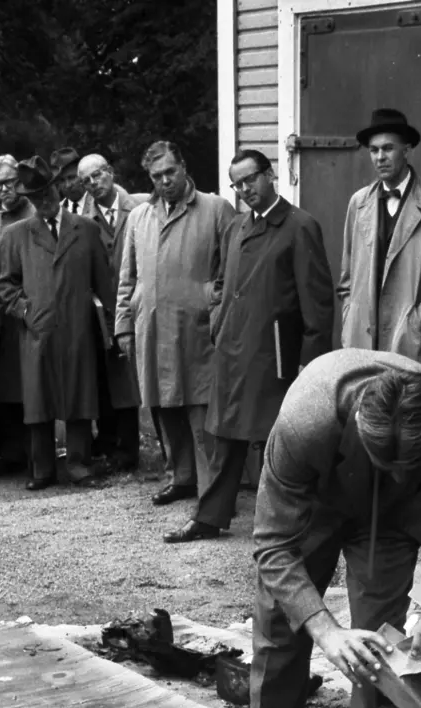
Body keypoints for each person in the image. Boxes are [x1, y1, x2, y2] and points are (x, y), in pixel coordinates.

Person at [249, 348, 421, 708]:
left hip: (398, 512)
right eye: (388, 465)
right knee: (282, 623)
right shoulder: (305, 421)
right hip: (318, 500)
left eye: (406, 467)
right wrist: (327, 632)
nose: (396, 475)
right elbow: (273, 545)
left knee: (381, 644)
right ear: (361, 423)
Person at [165, 148, 334, 544]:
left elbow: (318, 303)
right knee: (223, 436)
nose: (245, 189)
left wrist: (310, 365)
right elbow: (224, 281)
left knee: (280, 442)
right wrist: (219, 325)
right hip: (233, 351)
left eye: (250, 179)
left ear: (270, 174)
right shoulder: (237, 226)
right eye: (237, 184)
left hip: (275, 355)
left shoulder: (299, 226)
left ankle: (291, 520)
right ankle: (209, 517)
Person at [115, 140, 236, 506]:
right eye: (156, 176)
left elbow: (232, 269)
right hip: (152, 325)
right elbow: (127, 276)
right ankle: (181, 477)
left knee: (201, 408)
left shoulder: (216, 209)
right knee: (165, 405)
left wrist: (212, 305)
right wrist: (123, 322)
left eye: (170, 172)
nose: (165, 181)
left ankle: (211, 486)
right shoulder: (139, 216)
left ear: (183, 167)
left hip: (199, 327)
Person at [0, 155, 115, 490]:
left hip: (77, 329)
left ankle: (79, 465)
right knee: (39, 401)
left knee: (79, 397)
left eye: (47, 196)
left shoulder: (85, 229)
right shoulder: (16, 234)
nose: (43, 203)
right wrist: (25, 311)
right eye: (35, 199)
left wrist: (111, 322)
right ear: (29, 201)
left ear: (56, 192)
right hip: (37, 331)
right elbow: (5, 285)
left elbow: (104, 283)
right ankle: (42, 471)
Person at [338, 108, 421, 386]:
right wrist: (351, 320)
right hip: (364, 346)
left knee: (413, 421)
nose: (380, 157)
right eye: (373, 150)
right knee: (370, 423)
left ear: (406, 149)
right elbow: (347, 278)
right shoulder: (358, 202)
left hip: (415, 346)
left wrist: (419, 325)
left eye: (388, 148)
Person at [78, 153, 149, 471]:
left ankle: (131, 448)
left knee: (132, 379)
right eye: (85, 181)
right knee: (106, 378)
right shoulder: (83, 216)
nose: (92, 185)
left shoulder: (139, 206)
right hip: (101, 305)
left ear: (111, 172)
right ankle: (110, 446)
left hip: (136, 299)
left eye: (96, 176)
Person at [0, 154, 34, 475]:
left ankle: (34, 452)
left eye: (11, 182)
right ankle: (7, 453)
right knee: (3, 387)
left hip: (28, 311)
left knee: (31, 385)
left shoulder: (35, 212)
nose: (5, 189)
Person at [50, 147, 85, 214]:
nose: (68, 185)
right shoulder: (58, 213)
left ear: (83, 175)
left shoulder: (99, 202)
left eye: (72, 177)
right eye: (62, 180)